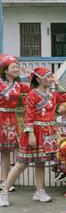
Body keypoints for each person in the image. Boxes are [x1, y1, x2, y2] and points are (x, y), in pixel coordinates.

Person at [0, 67, 66, 207]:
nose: (51, 79)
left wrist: (57, 83)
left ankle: (40, 191)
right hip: (34, 132)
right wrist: (30, 133)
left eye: (51, 76)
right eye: (48, 77)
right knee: (22, 163)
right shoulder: (32, 94)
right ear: (39, 79)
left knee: (40, 162)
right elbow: (28, 116)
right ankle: (4, 192)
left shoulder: (51, 94)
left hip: (47, 133)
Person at [0, 55, 31, 190]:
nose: (16, 69)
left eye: (17, 67)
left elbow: (34, 89)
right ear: (5, 70)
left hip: (11, 118)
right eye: (13, 67)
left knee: (6, 151)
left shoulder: (18, 85)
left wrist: (30, 76)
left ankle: (4, 181)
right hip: (0, 116)